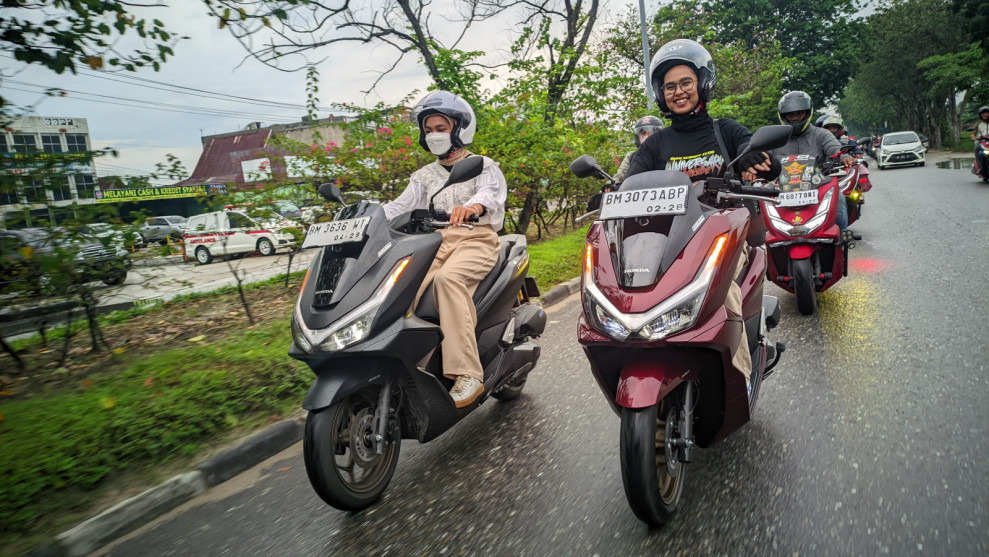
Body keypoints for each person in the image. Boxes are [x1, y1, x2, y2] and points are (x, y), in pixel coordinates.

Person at [625, 38, 782, 391]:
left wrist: (761, 162)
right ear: (660, 94)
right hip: (670, 242)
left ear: (703, 84)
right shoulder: (655, 145)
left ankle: (738, 378)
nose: (678, 92)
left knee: (718, 287)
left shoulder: (725, 131)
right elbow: (630, 183)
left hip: (723, 237)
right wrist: (606, 194)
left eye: (685, 83)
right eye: (669, 86)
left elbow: (758, 157)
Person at [382, 90, 507, 408]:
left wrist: (473, 206)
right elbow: (398, 207)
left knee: (447, 281)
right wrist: (361, 217)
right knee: (398, 289)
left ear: (458, 128)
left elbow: (490, 195)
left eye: (441, 128)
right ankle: (416, 368)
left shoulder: (481, 165)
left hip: (475, 239)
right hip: (435, 243)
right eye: (428, 130)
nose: (434, 135)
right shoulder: (422, 176)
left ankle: (468, 374)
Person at [769, 93, 856, 237]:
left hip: (819, 186)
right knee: (757, 205)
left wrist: (844, 156)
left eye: (799, 113)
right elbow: (761, 156)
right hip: (780, 189)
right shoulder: (774, 137)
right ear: (783, 116)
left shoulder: (822, 134)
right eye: (791, 114)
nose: (795, 118)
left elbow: (835, 148)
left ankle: (840, 242)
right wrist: (751, 166)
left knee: (839, 198)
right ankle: (763, 250)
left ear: (807, 113)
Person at [613, 115, 664, 184]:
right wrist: (610, 185)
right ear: (637, 137)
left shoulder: (668, 152)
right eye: (643, 133)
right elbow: (619, 177)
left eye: (651, 132)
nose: (647, 137)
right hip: (637, 192)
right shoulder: (631, 156)